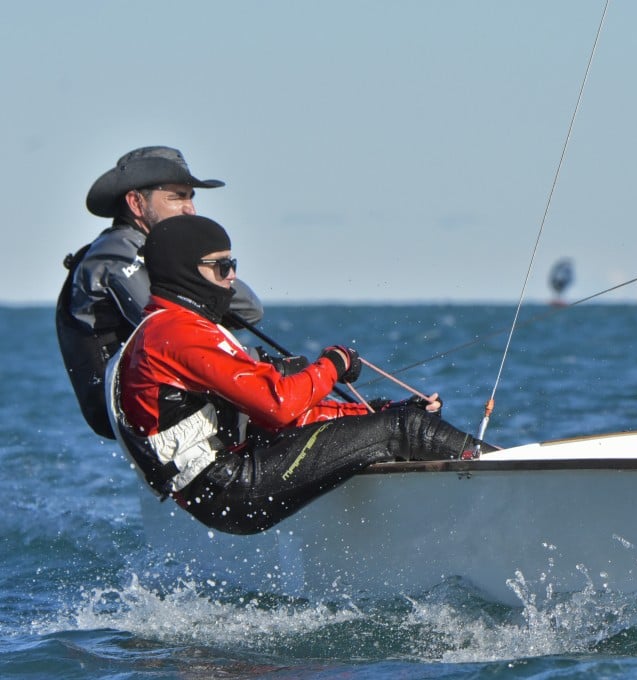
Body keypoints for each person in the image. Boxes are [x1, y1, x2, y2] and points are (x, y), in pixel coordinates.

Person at [108, 214, 496, 535]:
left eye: (233, 264)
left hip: (222, 486)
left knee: (397, 419)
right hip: (230, 489)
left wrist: (379, 411)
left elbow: (287, 415)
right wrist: (333, 364)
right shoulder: (176, 333)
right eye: (222, 266)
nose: (232, 277)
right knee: (406, 428)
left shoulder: (170, 328)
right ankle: (503, 472)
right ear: (185, 271)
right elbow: (278, 404)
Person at [56, 146, 265, 439]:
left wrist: (208, 264)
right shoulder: (114, 254)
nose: (190, 209)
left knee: (273, 372)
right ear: (136, 203)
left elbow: (251, 311)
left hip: (170, 392)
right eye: (176, 197)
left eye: (191, 197)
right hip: (134, 408)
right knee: (266, 373)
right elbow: (171, 332)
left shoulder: (165, 255)